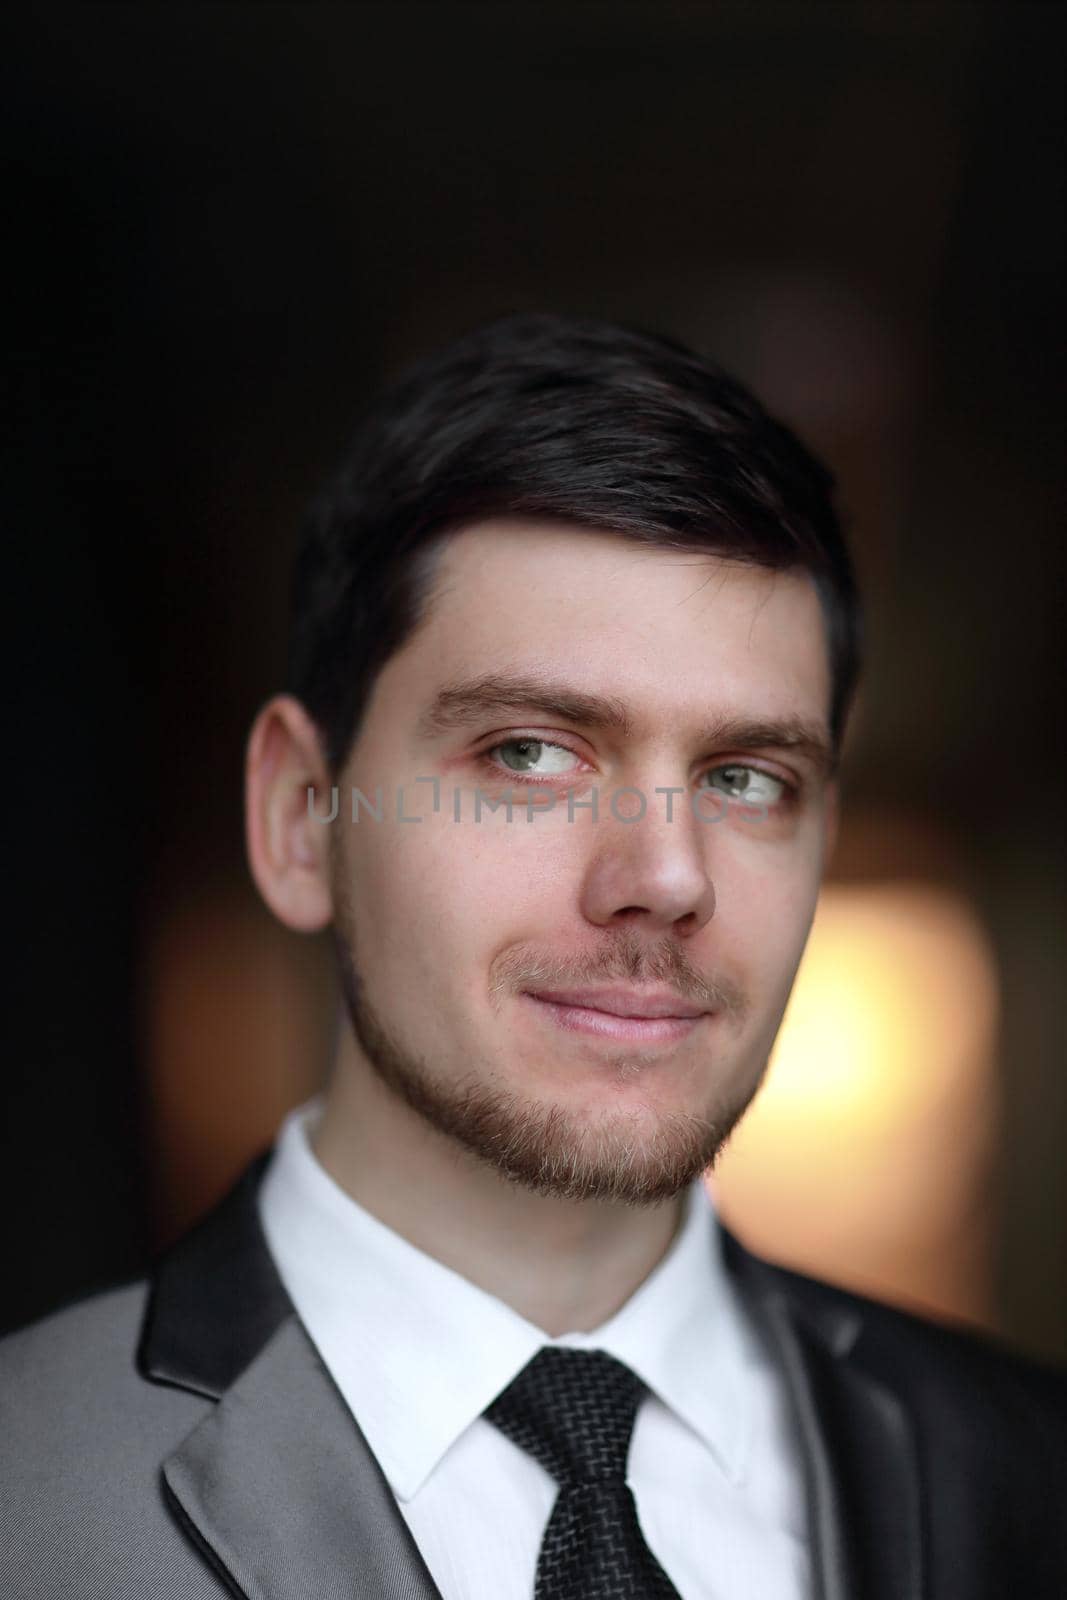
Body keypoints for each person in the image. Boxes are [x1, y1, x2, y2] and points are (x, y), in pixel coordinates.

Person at [1, 312, 1064, 1600]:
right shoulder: (26, 1495)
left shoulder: (1026, 1471)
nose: (666, 879)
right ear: (298, 820)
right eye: (528, 753)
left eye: (745, 775)